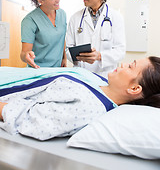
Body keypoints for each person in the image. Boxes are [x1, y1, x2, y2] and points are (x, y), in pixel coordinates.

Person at [0, 56, 160, 140]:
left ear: (134, 88)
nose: (124, 64)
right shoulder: (102, 82)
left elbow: (26, 118)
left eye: (131, 66)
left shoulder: (87, 107)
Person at [66, 0, 126, 77]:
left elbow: (120, 51)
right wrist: (78, 57)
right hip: (81, 75)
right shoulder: (75, 18)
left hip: (106, 76)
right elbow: (68, 49)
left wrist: (99, 56)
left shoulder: (116, 17)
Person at [20, 0, 67, 68]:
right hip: (37, 70)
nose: (58, 0)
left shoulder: (62, 14)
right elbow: (24, 53)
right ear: (40, 1)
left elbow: (62, 38)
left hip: (57, 69)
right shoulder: (30, 20)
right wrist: (26, 56)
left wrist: (64, 58)